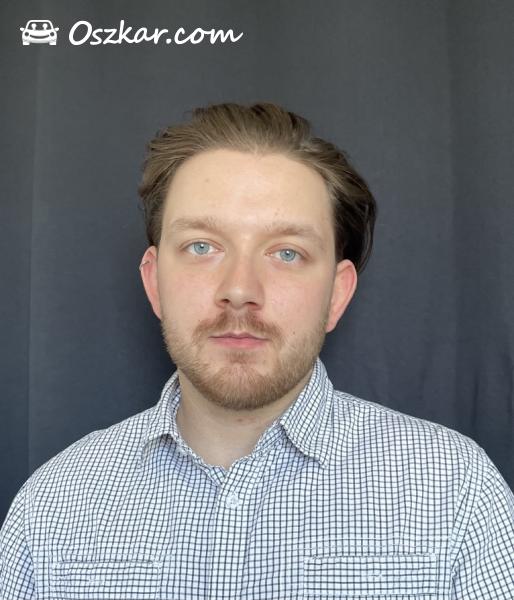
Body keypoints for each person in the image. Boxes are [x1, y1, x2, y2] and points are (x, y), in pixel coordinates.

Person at [1, 102, 513, 599]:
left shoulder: (456, 494)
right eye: (202, 246)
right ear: (155, 283)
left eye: (286, 252)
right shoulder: (51, 507)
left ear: (336, 295)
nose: (240, 289)